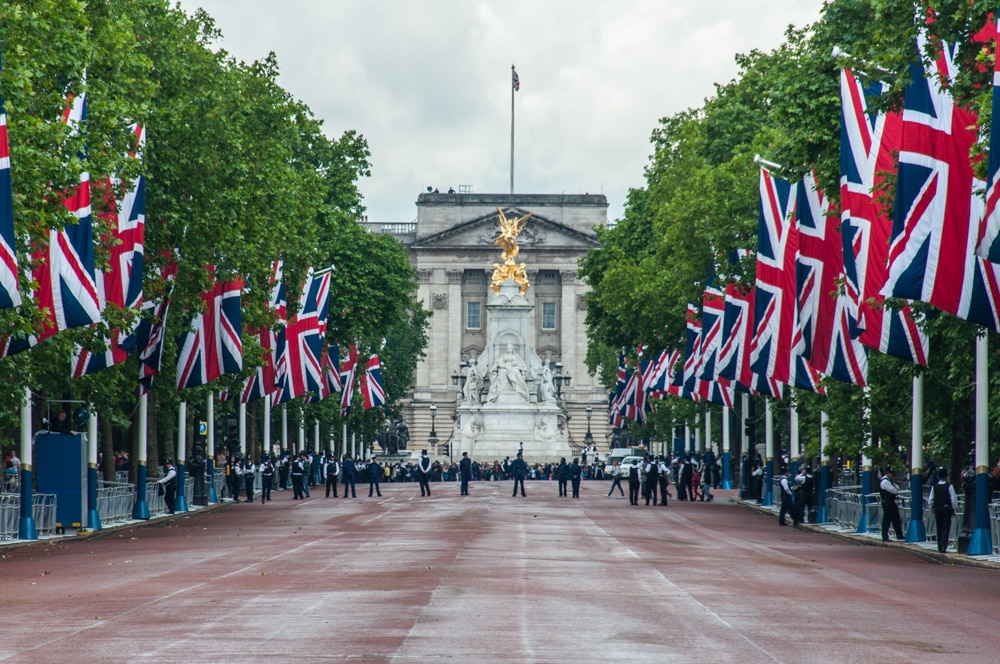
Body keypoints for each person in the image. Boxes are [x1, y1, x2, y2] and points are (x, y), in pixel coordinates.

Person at [931, 467, 957, 553]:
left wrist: (932, 508)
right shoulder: (949, 486)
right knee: (946, 528)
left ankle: (939, 546)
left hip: (938, 509)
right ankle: (943, 546)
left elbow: (931, 499)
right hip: (946, 509)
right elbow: (953, 499)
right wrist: (953, 509)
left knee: (939, 527)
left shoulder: (934, 487)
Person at [879, 466, 905, 542]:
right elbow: (894, 490)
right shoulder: (885, 481)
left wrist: (895, 487)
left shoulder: (889, 480)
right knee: (887, 520)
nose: (891, 474)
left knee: (896, 519)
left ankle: (899, 535)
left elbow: (897, 488)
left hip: (891, 502)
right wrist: (895, 488)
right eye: (890, 473)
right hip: (887, 503)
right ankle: (885, 537)